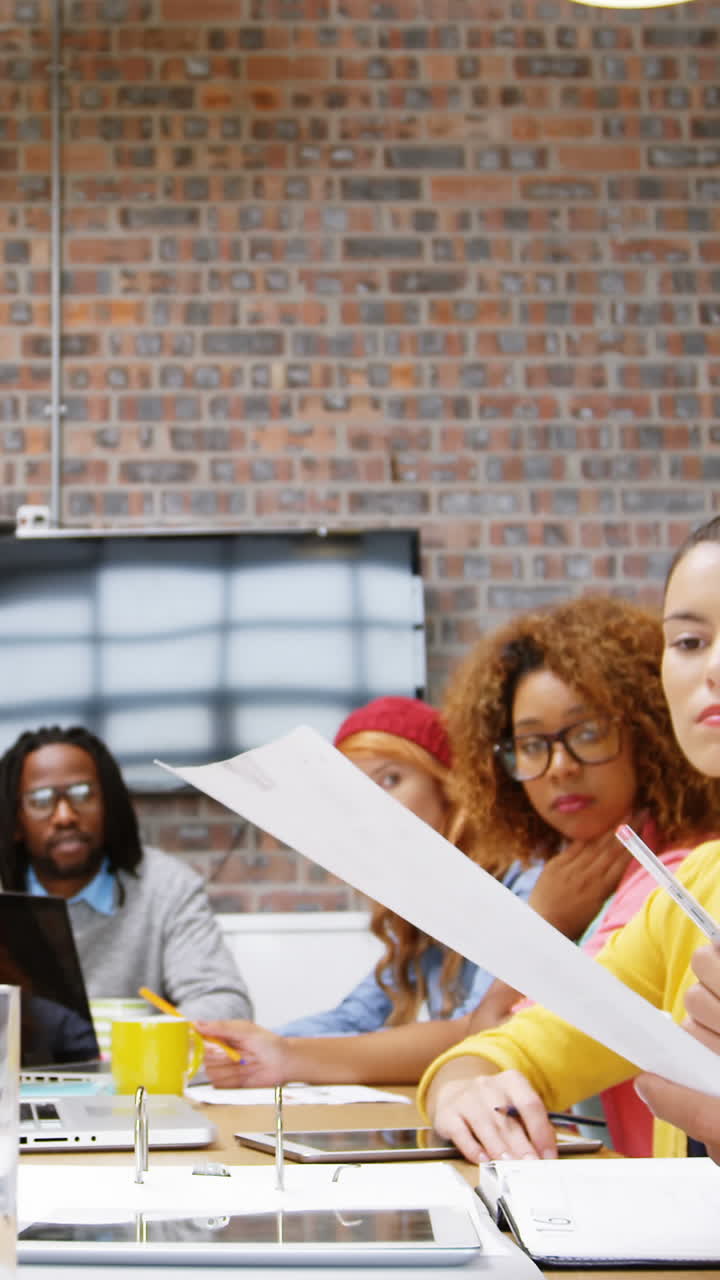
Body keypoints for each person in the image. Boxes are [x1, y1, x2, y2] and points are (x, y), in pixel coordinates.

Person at [418, 519, 720, 1162]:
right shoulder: (693, 889)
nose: (715, 667)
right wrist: (465, 1091)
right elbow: (506, 1047)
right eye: (690, 641)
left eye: (586, 735)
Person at [198, 695, 547, 1087]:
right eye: (353, 793)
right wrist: (252, 1043)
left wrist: (287, 1055)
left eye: (390, 779)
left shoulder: (525, 880)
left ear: (448, 787)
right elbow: (356, 1018)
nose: (370, 806)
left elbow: (482, 1030)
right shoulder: (423, 895)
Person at [0, 725, 253, 1021]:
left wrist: (139, 1040)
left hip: (137, 1065)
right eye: (41, 800)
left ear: (109, 805)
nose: (65, 816)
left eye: (83, 794)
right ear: (15, 820)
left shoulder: (166, 885)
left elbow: (225, 1004)